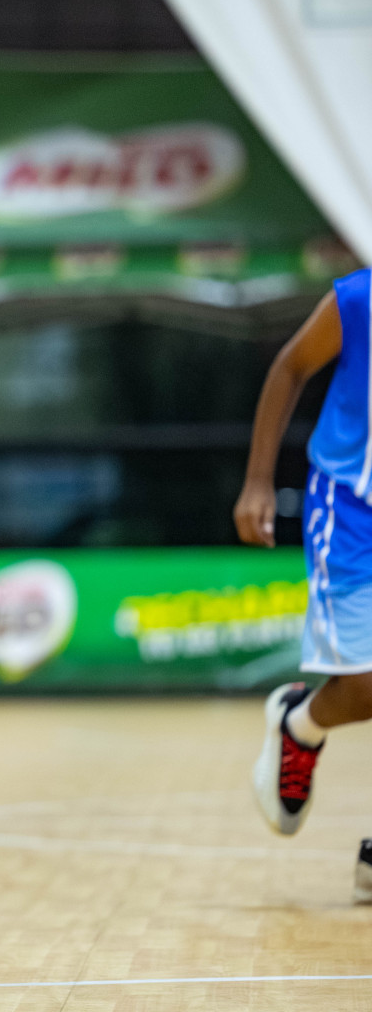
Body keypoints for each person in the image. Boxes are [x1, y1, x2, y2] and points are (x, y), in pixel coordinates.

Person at [236, 267, 372, 903]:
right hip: (350, 508)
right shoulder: (360, 297)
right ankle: (301, 724)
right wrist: (259, 481)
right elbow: (290, 368)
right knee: (368, 683)